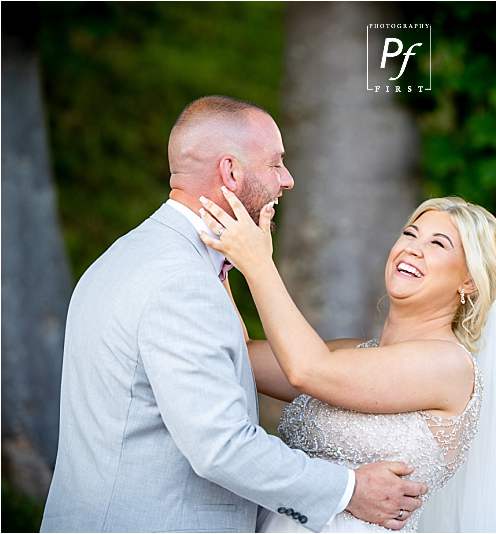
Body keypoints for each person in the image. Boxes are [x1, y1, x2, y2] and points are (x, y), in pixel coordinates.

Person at [40, 95, 426, 533]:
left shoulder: (128, 254)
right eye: (276, 164)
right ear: (231, 172)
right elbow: (220, 446)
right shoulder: (181, 283)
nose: (288, 180)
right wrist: (349, 489)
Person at [198, 190, 496, 532]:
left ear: (469, 281)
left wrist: (258, 262)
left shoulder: (449, 366)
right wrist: (221, 261)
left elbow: (307, 371)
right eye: (410, 234)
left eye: (438, 244)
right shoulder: (350, 355)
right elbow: (243, 356)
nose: (413, 247)